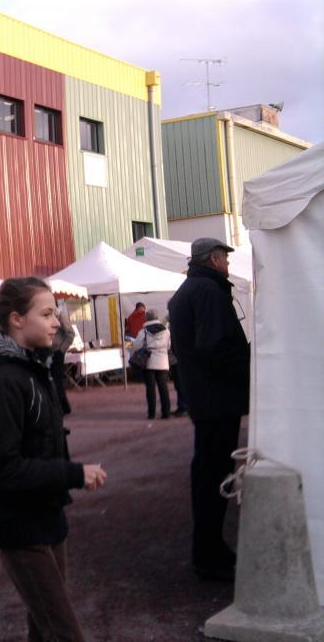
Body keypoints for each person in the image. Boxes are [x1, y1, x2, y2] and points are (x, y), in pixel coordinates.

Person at [0, 277, 107, 642]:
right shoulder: (5, 382)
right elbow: (4, 469)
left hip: (48, 517)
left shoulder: (36, 371)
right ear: (16, 319)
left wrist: (54, 357)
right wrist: (75, 474)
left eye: (56, 314)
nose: (57, 322)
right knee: (63, 632)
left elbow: (48, 434)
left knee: (46, 629)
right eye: (47, 314)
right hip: (20, 525)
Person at [168, 238, 250, 582]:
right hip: (217, 400)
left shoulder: (189, 290)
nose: (228, 266)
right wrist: (246, 372)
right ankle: (209, 552)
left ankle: (209, 548)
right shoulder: (208, 291)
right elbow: (215, 347)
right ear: (215, 259)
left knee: (208, 471)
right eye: (225, 260)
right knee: (214, 473)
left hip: (205, 398)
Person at [132, 310, 173, 420]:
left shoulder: (144, 331)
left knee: (150, 389)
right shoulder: (166, 331)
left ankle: (151, 413)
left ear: (147, 318)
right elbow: (169, 345)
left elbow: (136, 346)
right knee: (163, 387)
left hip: (149, 362)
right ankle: (166, 412)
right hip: (163, 362)